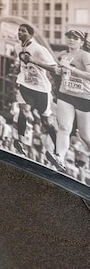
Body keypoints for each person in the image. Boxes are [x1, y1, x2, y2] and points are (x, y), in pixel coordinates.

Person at [12, 24, 58, 161]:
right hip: (25, 84)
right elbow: (22, 64)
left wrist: (34, 61)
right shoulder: (17, 47)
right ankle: (20, 142)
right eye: (19, 30)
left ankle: (57, 149)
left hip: (41, 88)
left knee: (46, 121)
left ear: (31, 34)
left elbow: (54, 68)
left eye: (23, 31)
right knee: (23, 111)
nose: (19, 33)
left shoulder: (39, 49)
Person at [49, 29, 90, 172]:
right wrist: (58, 70)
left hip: (83, 97)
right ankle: (59, 157)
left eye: (75, 38)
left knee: (85, 135)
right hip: (65, 94)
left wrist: (70, 69)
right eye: (69, 37)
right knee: (64, 127)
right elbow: (58, 71)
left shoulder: (85, 56)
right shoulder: (62, 55)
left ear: (81, 42)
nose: (71, 40)